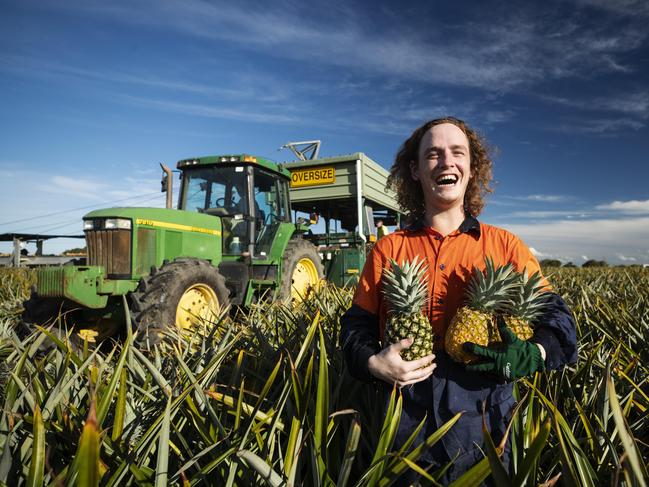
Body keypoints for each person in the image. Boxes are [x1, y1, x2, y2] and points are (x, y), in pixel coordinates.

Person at [340, 117, 577, 484]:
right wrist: (373, 363)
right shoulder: (389, 249)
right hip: (404, 417)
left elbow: (556, 316)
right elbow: (356, 325)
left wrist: (536, 353)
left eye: (457, 153)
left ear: (471, 168)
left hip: (486, 416)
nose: (446, 162)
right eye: (433, 154)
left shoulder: (505, 246)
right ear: (416, 171)